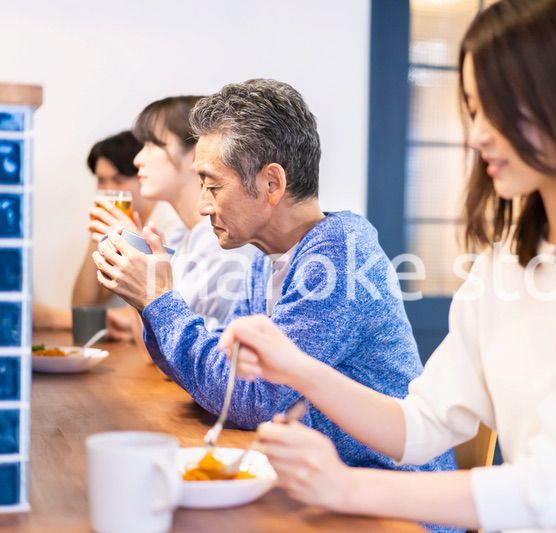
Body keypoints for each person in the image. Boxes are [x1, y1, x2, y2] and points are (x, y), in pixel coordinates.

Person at [218, 1, 556, 531]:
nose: (476, 135)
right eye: (474, 109)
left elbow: (545, 489)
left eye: (497, 109)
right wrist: (295, 367)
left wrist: (345, 486)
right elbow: (421, 424)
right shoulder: (510, 257)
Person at [91, 79, 458, 482]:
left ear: (272, 183)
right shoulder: (269, 259)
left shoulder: (338, 257)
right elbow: (229, 380)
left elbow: (255, 400)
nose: (203, 205)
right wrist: (148, 300)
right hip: (325, 482)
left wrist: (158, 299)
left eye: (213, 186)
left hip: (392, 501)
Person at [130, 96, 257, 329]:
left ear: (196, 152)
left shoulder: (222, 243)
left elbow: (172, 346)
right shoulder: (183, 237)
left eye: (152, 144)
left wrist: (136, 267)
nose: (138, 159)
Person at [67, 131, 177, 339]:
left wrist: (51, 318)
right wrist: (97, 236)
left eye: (118, 180)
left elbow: (161, 306)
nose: (107, 190)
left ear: (142, 176)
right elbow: (83, 306)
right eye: (101, 180)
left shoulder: (167, 225)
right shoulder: (118, 230)